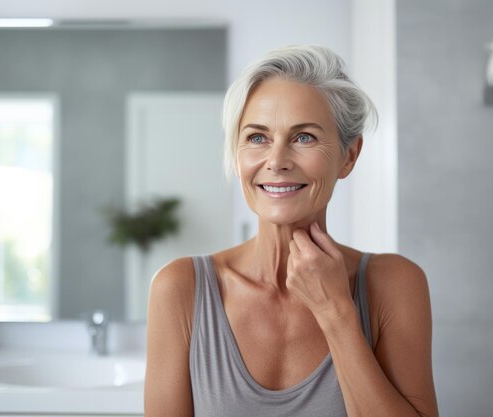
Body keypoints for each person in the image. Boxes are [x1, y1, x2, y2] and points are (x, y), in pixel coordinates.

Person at [144, 45, 439, 417]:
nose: (277, 161)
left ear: (349, 156)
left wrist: (335, 311)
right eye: (256, 137)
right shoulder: (180, 288)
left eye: (304, 137)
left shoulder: (394, 284)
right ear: (237, 156)